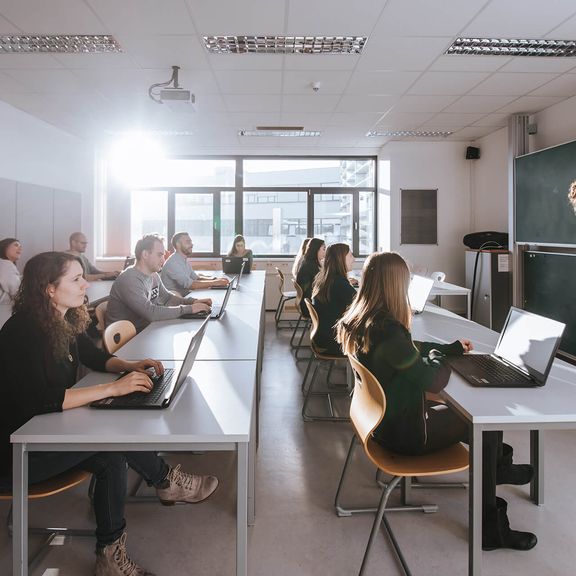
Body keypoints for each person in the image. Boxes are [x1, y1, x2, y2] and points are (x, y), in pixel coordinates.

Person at [0, 251, 219, 576]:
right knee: (111, 438)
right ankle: (165, 480)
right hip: (18, 452)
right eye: (75, 279)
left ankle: (109, 555)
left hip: (48, 431)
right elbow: (38, 401)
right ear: (48, 288)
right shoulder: (22, 332)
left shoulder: (62, 318)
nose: (85, 283)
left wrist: (129, 365)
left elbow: (93, 355)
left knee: (112, 458)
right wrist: (111, 389)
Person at [336, 252, 537, 552]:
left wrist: (447, 348)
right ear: (394, 285)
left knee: (481, 428)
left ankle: (496, 469)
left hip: (384, 422)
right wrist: (437, 356)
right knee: (483, 422)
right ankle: (491, 526)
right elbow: (434, 381)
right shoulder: (389, 331)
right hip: (405, 435)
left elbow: (410, 349)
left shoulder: (367, 321)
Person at [106, 234, 211, 333]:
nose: (163, 259)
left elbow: (168, 298)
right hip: (128, 340)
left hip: (146, 330)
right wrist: (189, 309)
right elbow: (150, 312)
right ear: (145, 254)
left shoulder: (153, 275)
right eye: (160, 255)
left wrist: (192, 302)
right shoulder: (129, 280)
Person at [311, 243, 356, 355]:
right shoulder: (339, 283)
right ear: (341, 259)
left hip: (323, 337)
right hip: (334, 341)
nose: (354, 259)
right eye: (350, 256)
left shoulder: (327, 278)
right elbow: (361, 305)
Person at [161, 232, 228, 294]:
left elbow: (195, 278)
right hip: (176, 302)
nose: (192, 244)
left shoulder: (183, 260)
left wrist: (216, 279)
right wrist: (215, 283)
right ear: (178, 244)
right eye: (188, 242)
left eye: (191, 242)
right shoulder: (173, 263)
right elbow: (191, 285)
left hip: (186, 296)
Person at [295, 238, 326, 316]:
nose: (325, 252)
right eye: (323, 249)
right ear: (316, 250)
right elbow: (322, 284)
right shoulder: (310, 266)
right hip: (309, 307)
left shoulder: (309, 262)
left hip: (307, 303)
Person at [0, 237, 22, 304]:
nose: (20, 248)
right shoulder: (6, 265)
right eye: (16, 245)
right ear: (4, 247)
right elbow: (16, 293)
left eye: (21, 247)